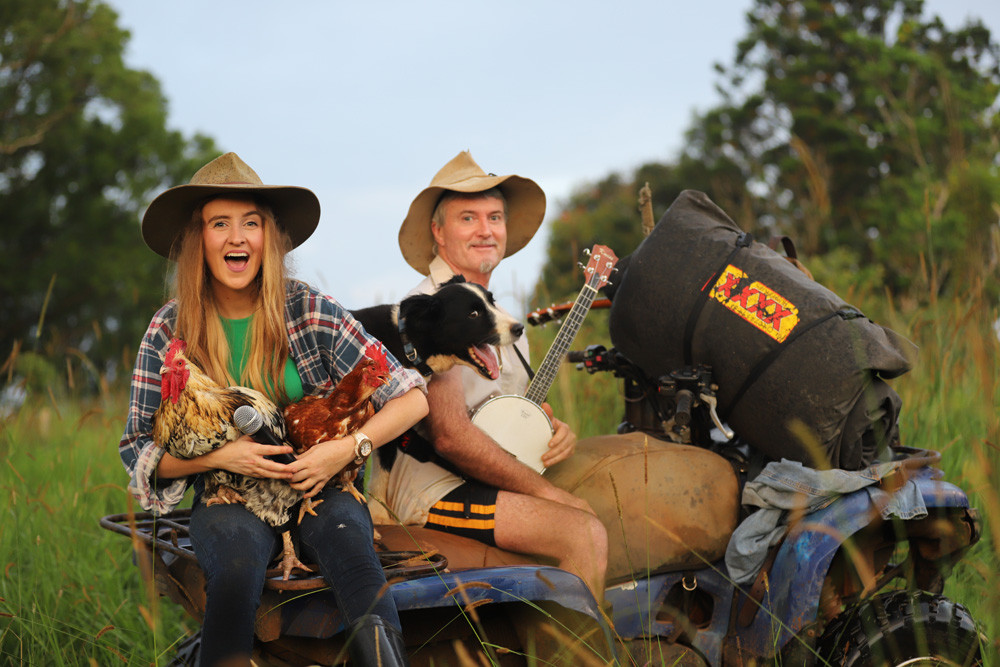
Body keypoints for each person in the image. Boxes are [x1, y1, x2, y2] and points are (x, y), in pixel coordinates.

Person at [118, 152, 426, 666]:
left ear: (269, 238)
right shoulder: (170, 328)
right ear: (201, 241)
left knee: (354, 555)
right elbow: (137, 450)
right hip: (227, 495)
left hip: (319, 481)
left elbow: (412, 395)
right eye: (221, 224)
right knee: (235, 570)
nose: (237, 237)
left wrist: (346, 449)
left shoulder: (307, 307)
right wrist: (220, 459)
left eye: (251, 223)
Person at [385, 151, 608, 601]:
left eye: (495, 217)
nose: (486, 230)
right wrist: (552, 496)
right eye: (468, 217)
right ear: (438, 232)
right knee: (581, 532)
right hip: (433, 489)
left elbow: (512, 417)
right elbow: (450, 436)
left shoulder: (503, 320)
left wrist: (550, 430)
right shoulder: (428, 312)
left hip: (486, 480)